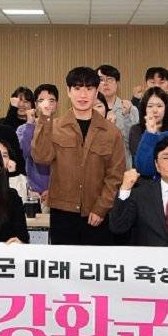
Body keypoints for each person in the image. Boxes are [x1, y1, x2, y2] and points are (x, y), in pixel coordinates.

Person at [31, 66, 126, 245]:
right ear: (68, 91)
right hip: (62, 213)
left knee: (95, 262)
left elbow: (115, 175)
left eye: (89, 89)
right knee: (63, 262)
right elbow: (41, 157)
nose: (83, 95)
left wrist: (101, 208)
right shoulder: (54, 126)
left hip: (97, 213)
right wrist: (45, 119)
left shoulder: (111, 132)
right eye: (77, 88)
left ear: (96, 92)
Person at [16, 84, 56, 210]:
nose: (46, 105)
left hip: (57, 192)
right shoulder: (23, 129)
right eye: (42, 101)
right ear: (36, 104)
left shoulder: (62, 128)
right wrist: (30, 124)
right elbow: (25, 152)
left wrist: (53, 190)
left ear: (57, 104)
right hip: (32, 192)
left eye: (51, 101)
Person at [98, 64, 140, 168]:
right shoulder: (89, 110)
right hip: (97, 168)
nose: (106, 83)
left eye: (110, 79)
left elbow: (133, 145)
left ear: (117, 83)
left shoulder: (130, 109)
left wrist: (126, 116)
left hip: (123, 168)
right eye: (101, 80)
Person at [128, 87, 168, 166]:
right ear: (144, 109)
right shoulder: (136, 130)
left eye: (159, 106)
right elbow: (140, 159)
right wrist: (150, 134)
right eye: (150, 106)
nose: (155, 110)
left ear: (166, 108)